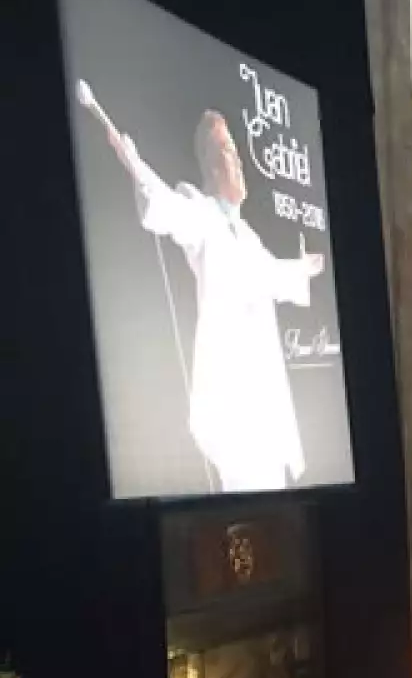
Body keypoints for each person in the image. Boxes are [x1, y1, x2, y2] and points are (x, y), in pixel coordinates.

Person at [103, 106, 324, 492]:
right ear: (209, 164)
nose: (238, 160)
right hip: (235, 411)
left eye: (237, 150)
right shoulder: (202, 212)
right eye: (227, 149)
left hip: (265, 409)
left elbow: (271, 274)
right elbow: (169, 208)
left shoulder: (249, 236)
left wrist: (302, 268)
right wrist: (134, 164)